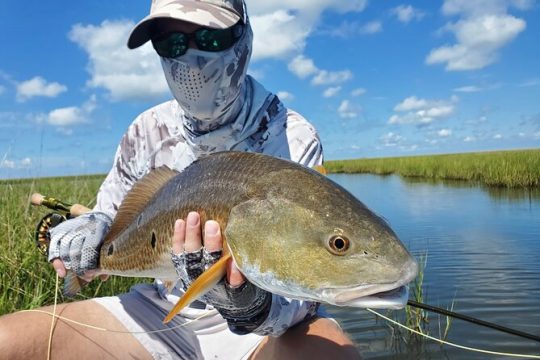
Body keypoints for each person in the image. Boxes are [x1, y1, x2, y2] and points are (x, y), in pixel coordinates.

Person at [0, 0, 360, 358]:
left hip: (267, 332)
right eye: (171, 43)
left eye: (211, 38)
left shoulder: (292, 136)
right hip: (161, 309)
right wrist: (85, 234)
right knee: (10, 341)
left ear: (244, 37)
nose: (190, 58)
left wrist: (252, 306)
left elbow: (306, 291)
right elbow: (108, 216)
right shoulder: (145, 130)